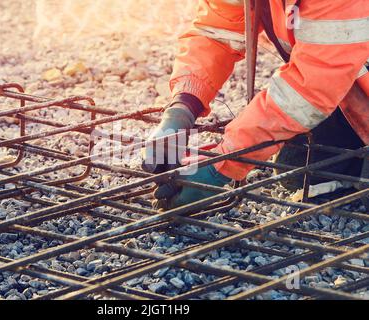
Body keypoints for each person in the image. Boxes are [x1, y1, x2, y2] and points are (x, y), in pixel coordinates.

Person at [143, 0, 369, 210]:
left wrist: (223, 163)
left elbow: (310, 86)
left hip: (333, 80)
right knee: (298, 169)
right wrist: (183, 104)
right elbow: (216, 30)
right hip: (347, 87)